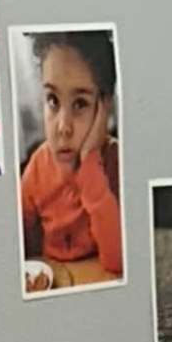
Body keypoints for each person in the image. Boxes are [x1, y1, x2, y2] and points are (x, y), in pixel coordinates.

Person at [21, 34, 124, 290]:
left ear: (104, 109)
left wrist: (90, 165)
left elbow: (119, 261)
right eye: (53, 101)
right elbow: (16, 252)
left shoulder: (117, 164)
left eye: (80, 104)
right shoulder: (37, 168)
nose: (63, 127)